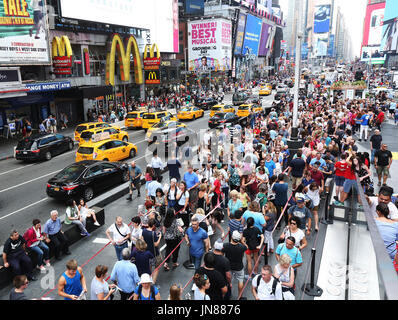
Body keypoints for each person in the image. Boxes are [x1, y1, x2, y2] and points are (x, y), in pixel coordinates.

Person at [222, 231, 248, 299]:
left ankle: (227, 295)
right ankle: (240, 296)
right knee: (240, 280)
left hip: (228, 266)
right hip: (239, 266)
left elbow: (222, 253)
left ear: (232, 238)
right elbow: (246, 247)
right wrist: (242, 241)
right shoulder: (242, 247)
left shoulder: (225, 245)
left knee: (227, 280)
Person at [141, 218, 162, 283]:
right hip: (154, 253)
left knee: (149, 267)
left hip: (147, 252)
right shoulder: (153, 234)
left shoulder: (144, 231)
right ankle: (153, 282)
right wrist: (160, 237)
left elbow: (142, 239)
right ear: (153, 225)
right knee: (156, 268)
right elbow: (156, 244)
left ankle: (149, 280)